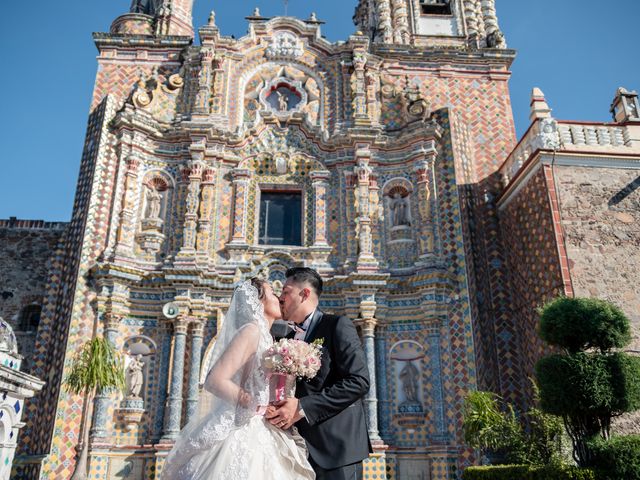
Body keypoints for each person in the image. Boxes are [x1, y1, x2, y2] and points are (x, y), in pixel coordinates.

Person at [161, 278, 314, 479]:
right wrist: (252, 403)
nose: (279, 298)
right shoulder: (251, 331)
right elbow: (215, 380)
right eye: (272, 293)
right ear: (258, 302)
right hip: (246, 427)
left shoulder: (268, 338)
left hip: (263, 428)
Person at [266, 267, 371, 480]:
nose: (281, 298)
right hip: (295, 450)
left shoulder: (336, 326)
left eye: (286, 292)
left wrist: (302, 407)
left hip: (337, 450)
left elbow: (359, 381)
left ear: (304, 294)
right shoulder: (283, 338)